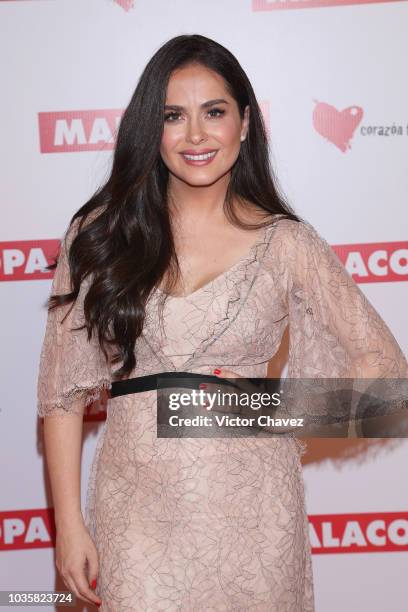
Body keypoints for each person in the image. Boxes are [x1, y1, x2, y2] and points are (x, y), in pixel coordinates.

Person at [37, 34, 408, 611]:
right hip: (135, 515)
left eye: (214, 112)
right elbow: (62, 393)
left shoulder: (287, 243)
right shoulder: (100, 234)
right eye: (173, 116)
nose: (195, 136)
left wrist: (261, 408)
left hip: (256, 518)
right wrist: (68, 525)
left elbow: (388, 379)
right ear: (148, 129)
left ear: (245, 123)